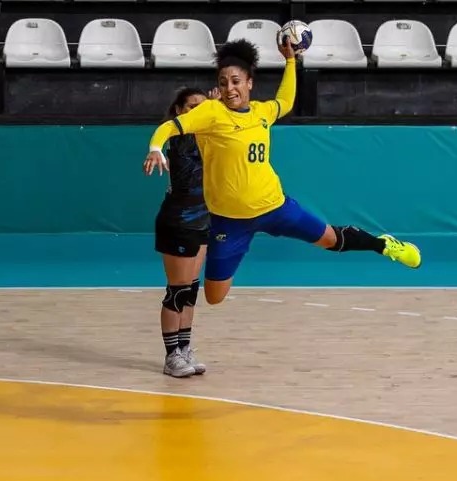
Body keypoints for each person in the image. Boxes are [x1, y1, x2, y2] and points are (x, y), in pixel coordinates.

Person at [143, 38, 421, 307]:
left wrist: (290, 61)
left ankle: (383, 245)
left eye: (236, 81)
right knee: (214, 297)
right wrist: (156, 147)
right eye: (223, 82)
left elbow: (285, 101)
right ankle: (242, 246)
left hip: (274, 207)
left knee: (330, 239)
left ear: (249, 83)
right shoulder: (211, 113)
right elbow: (170, 127)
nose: (229, 88)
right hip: (230, 222)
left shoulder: (262, 112)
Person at [154, 86, 218, 378]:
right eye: (192, 107)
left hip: (202, 221)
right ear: (179, 111)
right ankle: (171, 358)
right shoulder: (180, 139)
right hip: (179, 221)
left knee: (191, 290)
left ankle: (184, 348)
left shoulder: (211, 137)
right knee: (177, 293)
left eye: (202, 106)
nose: (198, 111)